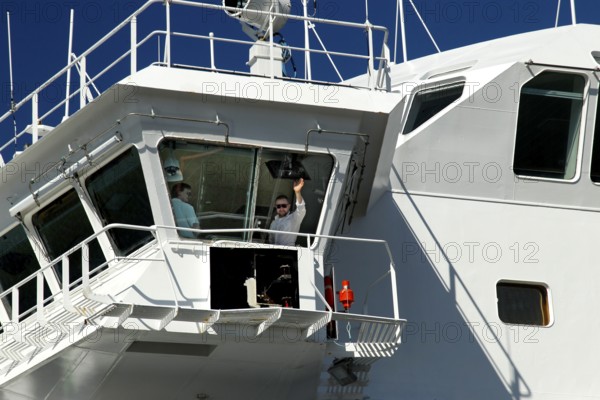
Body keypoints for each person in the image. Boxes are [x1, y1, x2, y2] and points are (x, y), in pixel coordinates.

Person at [269, 178, 306, 246]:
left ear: (289, 206)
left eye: (284, 205)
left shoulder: (294, 219)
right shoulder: (273, 223)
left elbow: (301, 208)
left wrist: (297, 192)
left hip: (288, 253)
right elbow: (271, 241)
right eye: (278, 206)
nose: (281, 208)